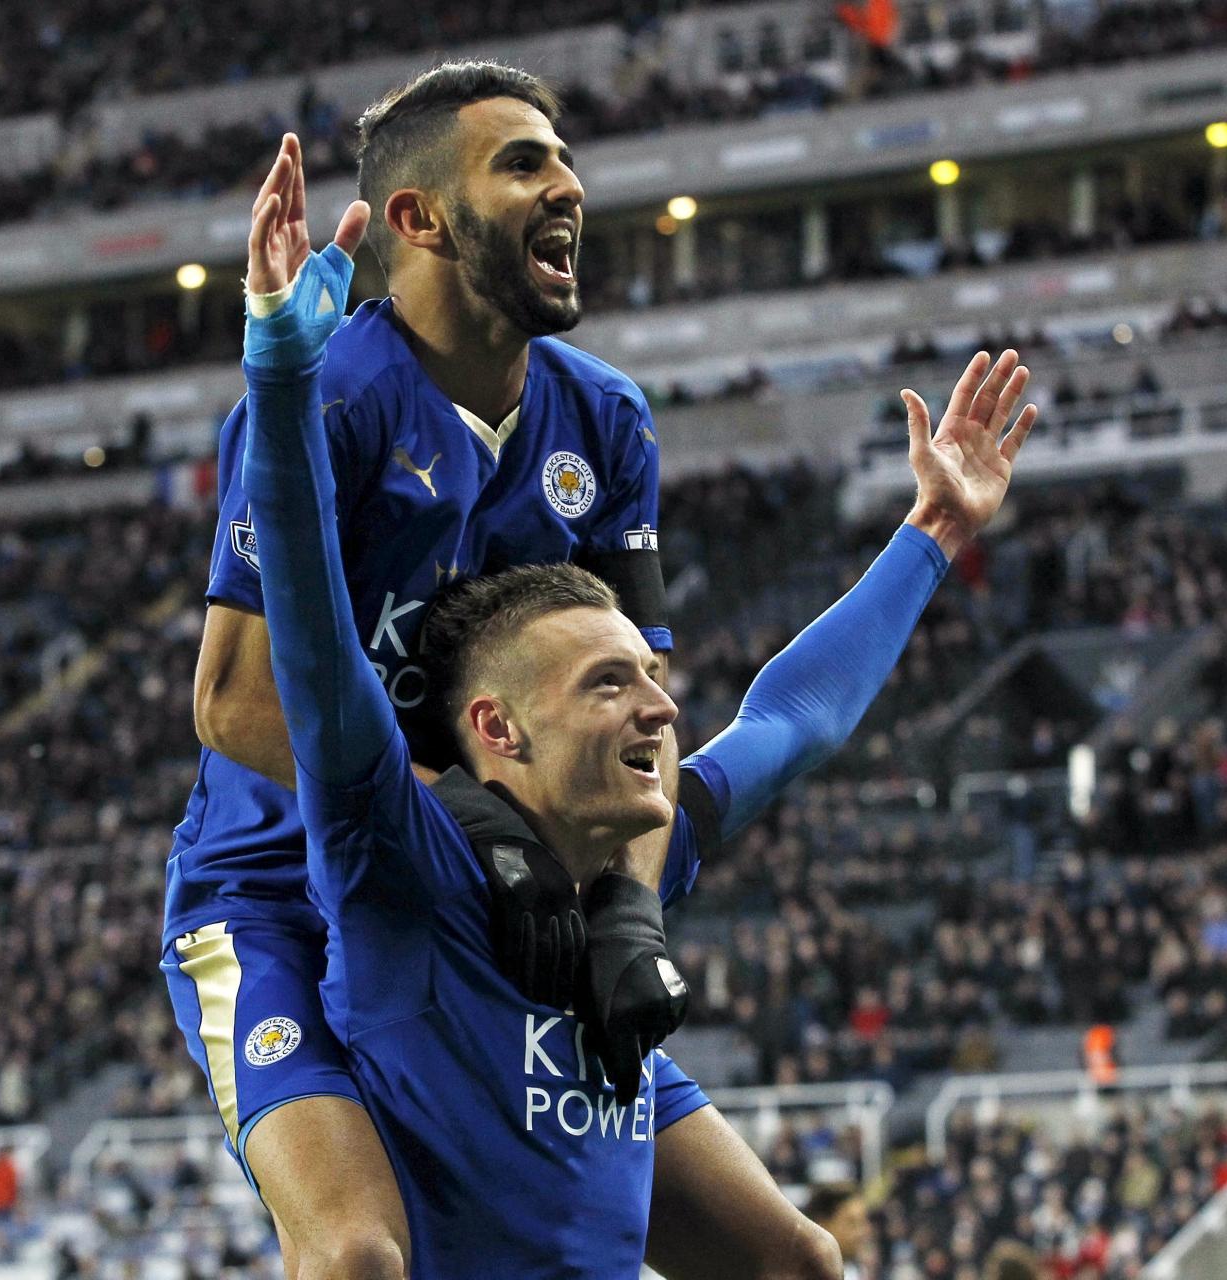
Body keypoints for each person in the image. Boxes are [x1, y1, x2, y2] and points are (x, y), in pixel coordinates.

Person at [238, 183, 1035, 1275]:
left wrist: (932, 529)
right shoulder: (399, 858)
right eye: (608, 685)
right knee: (354, 1260)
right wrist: (283, 380)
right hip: (304, 988)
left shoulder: (629, 867)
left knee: (798, 1261)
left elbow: (797, 715)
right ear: (497, 728)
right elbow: (308, 628)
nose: (660, 706)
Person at [162, 63, 694, 1277]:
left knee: (789, 1255)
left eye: (562, 157)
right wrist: (455, 828)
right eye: (522, 164)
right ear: (418, 220)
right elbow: (231, 699)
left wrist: (622, 905)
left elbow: (647, 702)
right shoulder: (327, 399)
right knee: (355, 1254)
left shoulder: (605, 420)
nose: (567, 183)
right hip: (278, 893)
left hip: (496, 909)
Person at [803, 1183, 876, 1279]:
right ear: (822, 1225)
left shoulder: (856, 1271)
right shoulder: (798, 1274)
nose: (864, 1231)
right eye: (852, 1223)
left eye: (863, 1222)